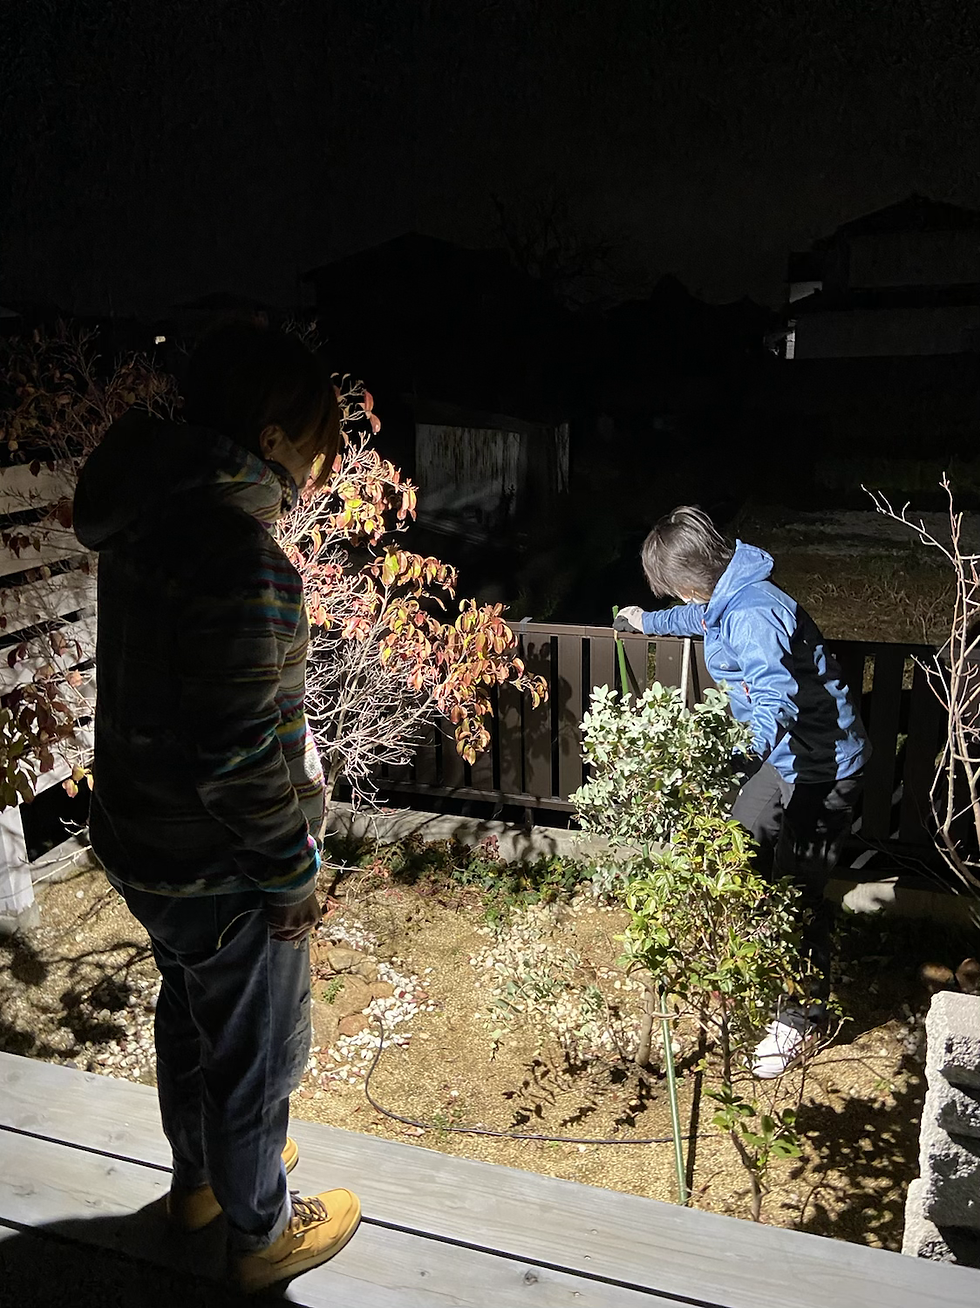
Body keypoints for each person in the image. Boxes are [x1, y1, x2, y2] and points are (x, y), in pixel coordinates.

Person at [73, 322, 361, 1293]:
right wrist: (290, 874)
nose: (311, 477)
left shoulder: (145, 525)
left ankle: (199, 1184)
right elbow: (238, 757)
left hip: (147, 847)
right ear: (271, 438)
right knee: (254, 1058)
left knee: (191, 1018)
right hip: (224, 865)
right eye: (310, 453)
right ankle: (260, 1232)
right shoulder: (241, 558)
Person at [616, 506, 870, 1078]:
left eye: (671, 589)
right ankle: (751, 967)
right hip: (783, 761)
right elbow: (701, 619)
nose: (676, 598)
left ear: (688, 578)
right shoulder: (727, 597)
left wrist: (737, 756)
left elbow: (776, 695)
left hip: (822, 768)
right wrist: (647, 621)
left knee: (797, 893)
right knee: (738, 847)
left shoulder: (754, 612)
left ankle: (800, 1019)